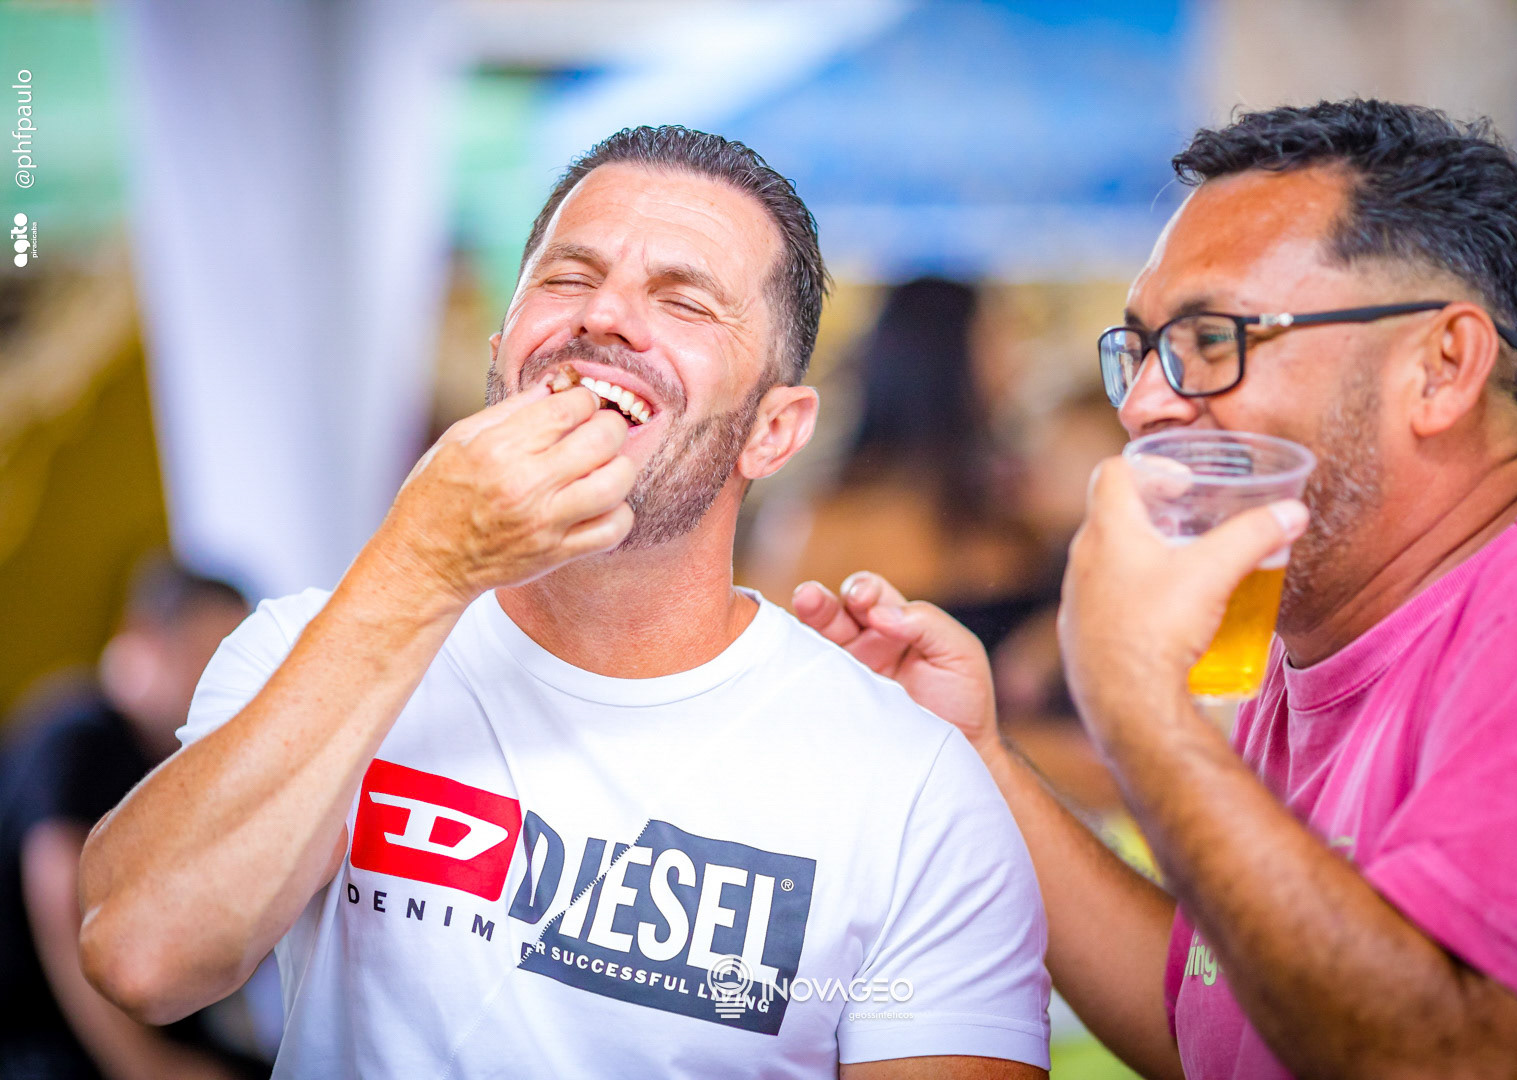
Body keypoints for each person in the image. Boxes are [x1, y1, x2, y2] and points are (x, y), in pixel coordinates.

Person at [77, 127, 1050, 1079]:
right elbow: (140, 957)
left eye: (685, 300)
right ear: (504, 351)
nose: (605, 316)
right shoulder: (303, 648)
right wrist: (420, 565)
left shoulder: (913, 786)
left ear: (773, 432)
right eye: (568, 277)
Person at [795, 99, 1517, 1079]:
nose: (1144, 402)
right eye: (1140, 350)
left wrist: (1137, 702)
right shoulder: (1307, 633)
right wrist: (974, 755)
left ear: (1442, 368)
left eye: (1212, 339)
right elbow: (1223, 1015)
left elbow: (1455, 1061)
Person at [0, 558, 261, 1080]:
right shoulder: (81, 734)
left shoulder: (173, 761)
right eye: (207, 657)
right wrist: (148, 1067)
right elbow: (63, 906)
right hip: (46, 1045)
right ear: (147, 641)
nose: (223, 682)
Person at [744, 276, 1046, 654]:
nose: (1018, 364)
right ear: (944, 358)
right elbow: (766, 663)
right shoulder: (819, 522)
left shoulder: (1020, 509)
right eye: (1000, 339)